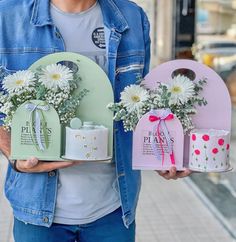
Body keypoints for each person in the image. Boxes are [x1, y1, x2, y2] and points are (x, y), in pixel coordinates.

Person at [0, 0, 191, 241]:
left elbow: (142, 104)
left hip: (113, 211)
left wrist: (165, 155)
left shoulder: (132, 17)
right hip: (36, 213)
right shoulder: (7, 17)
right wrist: (13, 153)